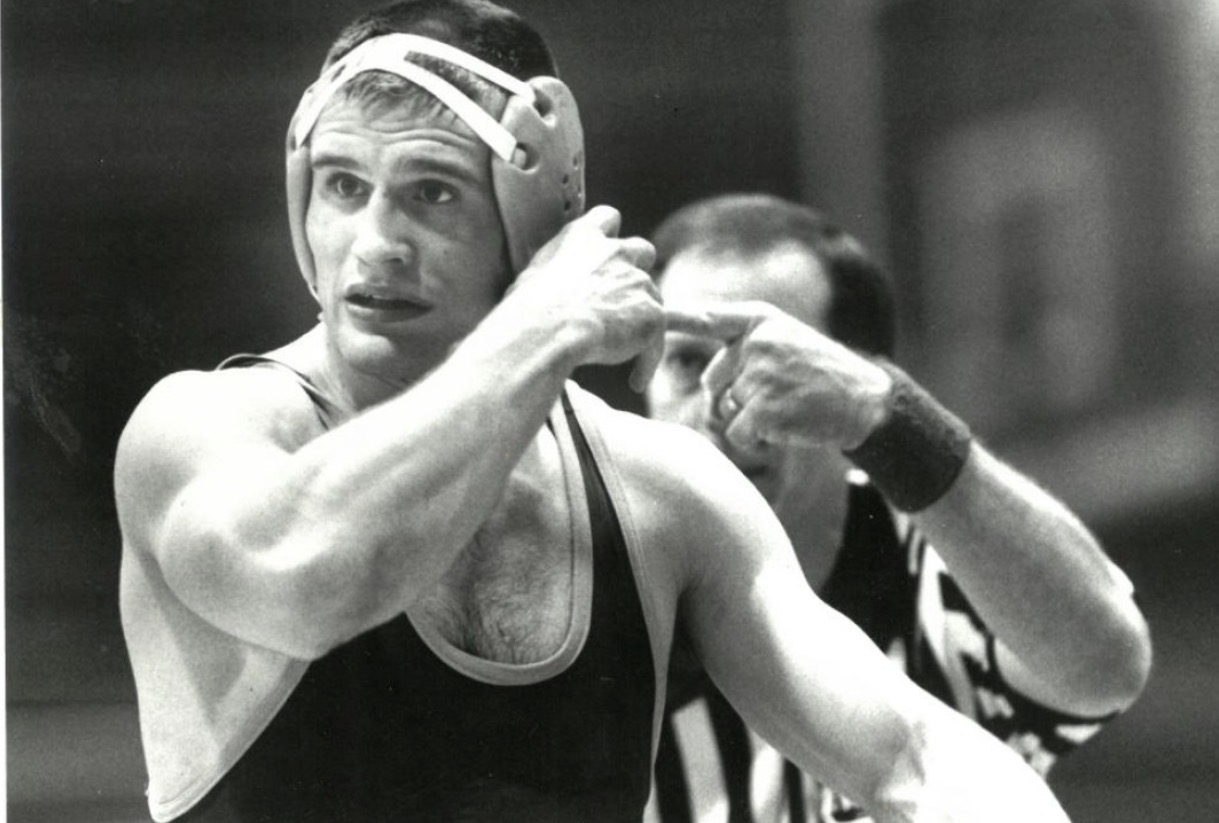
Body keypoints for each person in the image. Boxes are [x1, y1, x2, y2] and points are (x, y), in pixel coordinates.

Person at [115, 3, 1077, 821]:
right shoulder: (200, 432)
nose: (374, 244)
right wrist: (536, 325)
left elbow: (909, 754)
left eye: (430, 194)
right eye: (342, 186)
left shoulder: (662, 491)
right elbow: (311, 580)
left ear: (532, 220)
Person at [643, 193, 1153, 823]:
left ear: (849, 379)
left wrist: (892, 416)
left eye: (769, 365)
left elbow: (1108, 666)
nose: (721, 402)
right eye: (686, 362)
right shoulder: (602, 588)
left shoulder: (933, 560)